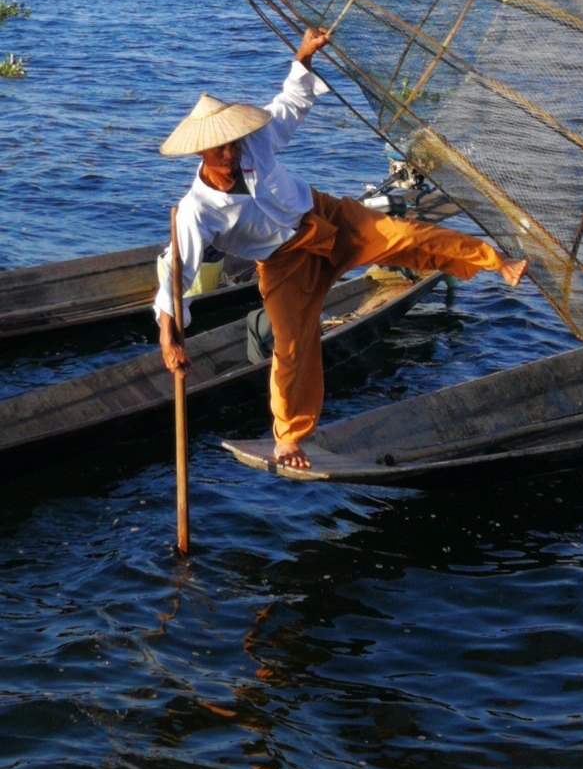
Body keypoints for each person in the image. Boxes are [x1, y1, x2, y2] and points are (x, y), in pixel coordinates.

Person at [155, 27, 526, 470]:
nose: (232, 153)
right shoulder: (196, 211)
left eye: (233, 143)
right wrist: (169, 335)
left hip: (326, 217)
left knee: (406, 238)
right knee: (291, 346)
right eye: (221, 149)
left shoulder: (256, 142)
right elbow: (177, 274)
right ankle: (289, 437)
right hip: (284, 263)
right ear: (202, 153)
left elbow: (290, 104)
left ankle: (495, 261)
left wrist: (305, 54)